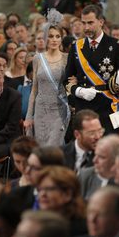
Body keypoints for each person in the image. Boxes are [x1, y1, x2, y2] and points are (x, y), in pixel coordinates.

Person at [64, 4, 119, 135]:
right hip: (83, 106)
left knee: (109, 148)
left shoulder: (116, 45)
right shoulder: (76, 46)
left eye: (90, 23)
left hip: (108, 106)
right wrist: (79, 91)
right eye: (84, 23)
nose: (86, 27)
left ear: (101, 22)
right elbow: (66, 80)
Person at [24, 9, 70, 146]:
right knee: (41, 147)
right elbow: (34, 90)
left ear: (61, 38)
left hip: (59, 109)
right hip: (40, 110)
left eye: (57, 36)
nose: (54, 40)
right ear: (45, 38)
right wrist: (28, 116)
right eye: (50, 36)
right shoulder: (37, 58)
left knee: (53, 147)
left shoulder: (67, 59)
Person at [35, 166, 87, 237]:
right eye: (39, 190)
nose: (42, 194)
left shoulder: (83, 231)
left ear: (67, 194)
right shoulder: (36, 225)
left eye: (48, 189)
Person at [79, 134, 119, 200]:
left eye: (101, 157)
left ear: (115, 160)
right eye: (96, 155)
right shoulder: (85, 175)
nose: (94, 160)